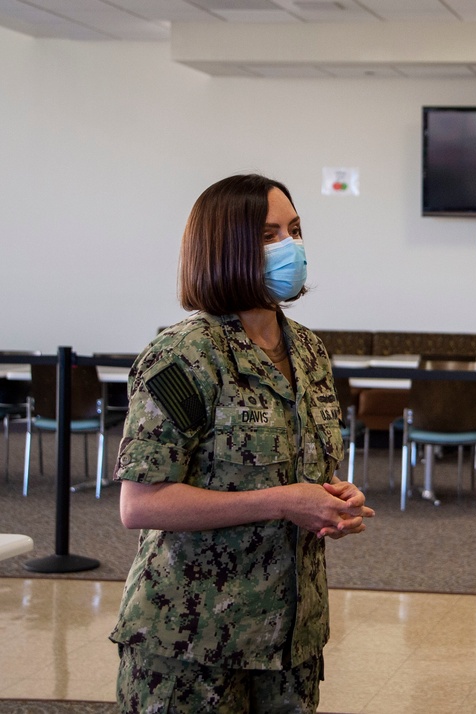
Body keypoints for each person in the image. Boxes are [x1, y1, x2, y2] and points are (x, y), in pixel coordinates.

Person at [110, 174, 374, 713]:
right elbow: (142, 504)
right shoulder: (185, 355)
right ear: (226, 247)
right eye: (270, 235)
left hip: (290, 640)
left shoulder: (308, 351)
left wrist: (332, 499)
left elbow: (302, 471)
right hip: (193, 641)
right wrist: (283, 501)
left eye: (295, 231)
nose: (291, 247)